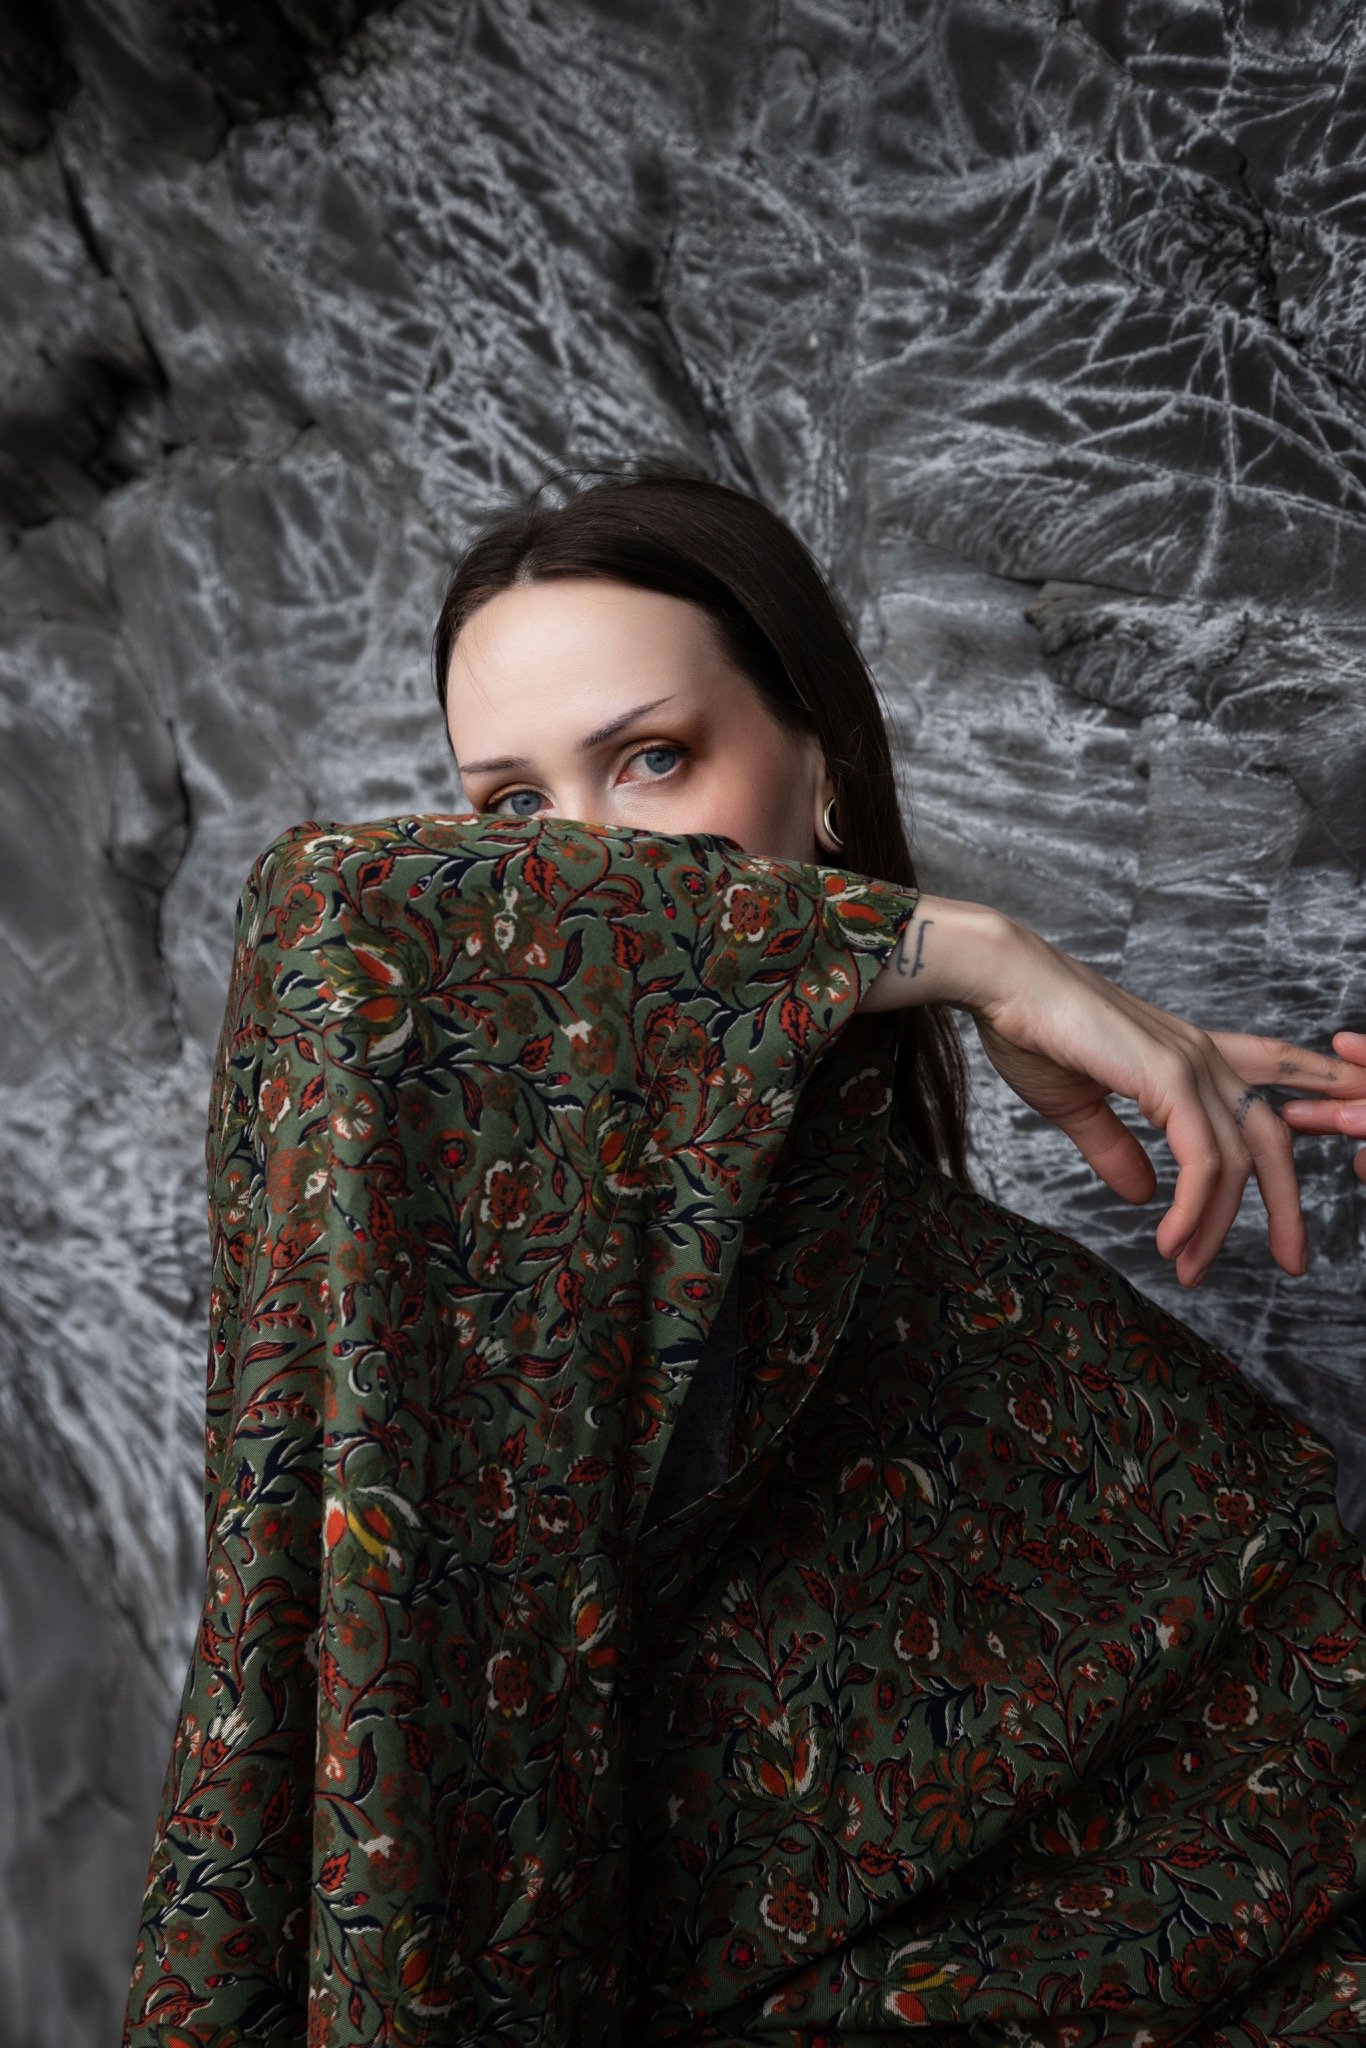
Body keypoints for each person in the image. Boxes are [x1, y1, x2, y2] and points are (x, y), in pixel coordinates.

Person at [123, 464, 1366, 2047]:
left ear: (822, 772)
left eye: (649, 762)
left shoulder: (1017, 1326)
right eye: (509, 812)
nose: (578, 866)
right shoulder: (407, 1226)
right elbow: (324, 919)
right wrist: (961, 946)